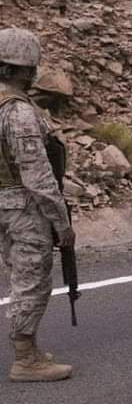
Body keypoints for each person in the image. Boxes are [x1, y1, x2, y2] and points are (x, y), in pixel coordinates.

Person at [0, 28, 76, 381]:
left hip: (4, 204)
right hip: (24, 207)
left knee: (19, 275)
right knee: (32, 280)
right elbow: (38, 176)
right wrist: (61, 222)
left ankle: (27, 349)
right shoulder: (18, 112)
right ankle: (25, 359)